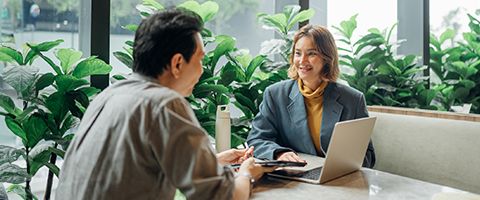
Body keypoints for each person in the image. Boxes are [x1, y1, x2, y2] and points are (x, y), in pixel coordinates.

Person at [56, 8, 273, 200]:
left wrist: (213, 162)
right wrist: (246, 173)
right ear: (177, 63)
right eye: (200, 60)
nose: (201, 71)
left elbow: (128, 172)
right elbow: (224, 196)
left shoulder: (109, 96)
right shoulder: (164, 104)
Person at [246, 25, 375, 168]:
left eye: (311, 53)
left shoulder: (353, 100)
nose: (302, 61)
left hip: (338, 179)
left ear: (327, 58)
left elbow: (368, 155)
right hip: (293, 177)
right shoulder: (275, 95)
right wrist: (279, 154)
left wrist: (343, 166)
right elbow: (257, 138)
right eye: (298, 53)